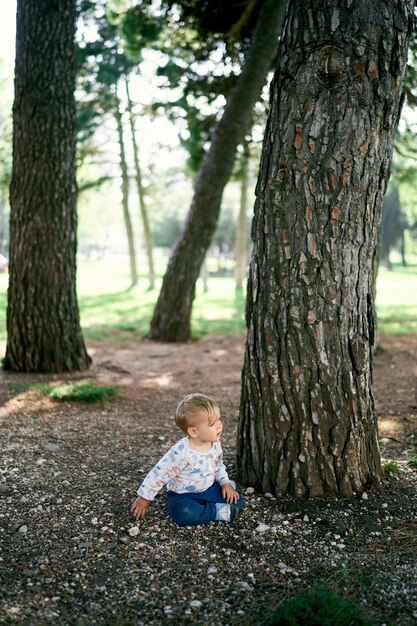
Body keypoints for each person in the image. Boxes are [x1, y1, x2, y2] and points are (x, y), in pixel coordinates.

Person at [131, 393, 244, 526]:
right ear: (194, 432)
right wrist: (144, 497)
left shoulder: (214, 443)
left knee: (237, 500)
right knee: (183, 513)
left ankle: (220, 492)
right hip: (182, 495)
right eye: (213, 424)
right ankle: (216, 511)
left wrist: (225, 483)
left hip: (208, 488)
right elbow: (159, 473)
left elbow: (218, 466)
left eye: (219, 419)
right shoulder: (181, 453)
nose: (220, 426)